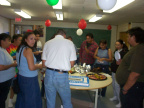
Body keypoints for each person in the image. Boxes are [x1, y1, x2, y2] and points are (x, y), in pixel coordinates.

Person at [42, 29, 77, 108]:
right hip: (61, 75)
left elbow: (44, 63)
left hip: (48, 74)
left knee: (50, 101)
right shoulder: (70, 43)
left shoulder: (47, 43)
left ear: (55, 35)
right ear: (64, 35)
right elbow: (72, 64)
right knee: (66, 102)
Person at [116, 27, 144, 108]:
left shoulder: (140, 49)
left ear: (134, 37)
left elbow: (135, 73)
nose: (127, 39)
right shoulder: (136, 48)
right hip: (132, 86)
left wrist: (125, 88)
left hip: (133, 87)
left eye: (128, 36)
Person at [15, 32, 42, 108]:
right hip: (29, 79)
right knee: (31, 99)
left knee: (22, 98)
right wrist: (41, 65)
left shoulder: (20, 48)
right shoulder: (28, 50)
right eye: (31, 39)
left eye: (34, 39)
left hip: (21, 76)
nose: (33, 41)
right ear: (25, 39)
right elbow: (32, 67)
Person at [110, 39, 128, 108]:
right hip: (114, 70)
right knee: (113, 84)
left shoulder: (125, 52)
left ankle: (120, 102)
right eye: (116, 45)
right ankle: (115, 96)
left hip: (120, 71)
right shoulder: (116, 51)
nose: (117, 46)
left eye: (118, 45)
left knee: (118, 86)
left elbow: (125, 62)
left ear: (122, 45)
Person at [0, 33, 17, 108]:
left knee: (2, 99)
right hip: (3, 81)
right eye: (8, 40)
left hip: (5, 80)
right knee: (1, 99)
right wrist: (13, 65)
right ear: (2, 41)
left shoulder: (3, 50)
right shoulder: (0, 51)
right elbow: (1, 67)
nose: (10, 43)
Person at [6, 34, 22, 107]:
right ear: (15, 40)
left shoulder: (20, 47)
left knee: (18, 86)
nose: (21, 41)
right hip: (11, 69)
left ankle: (18, 100)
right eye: (19, 40)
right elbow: (7, 58)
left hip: (20, 69)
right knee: (12, 86)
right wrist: (17, 56)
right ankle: (10, 101)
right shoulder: (9, 47)